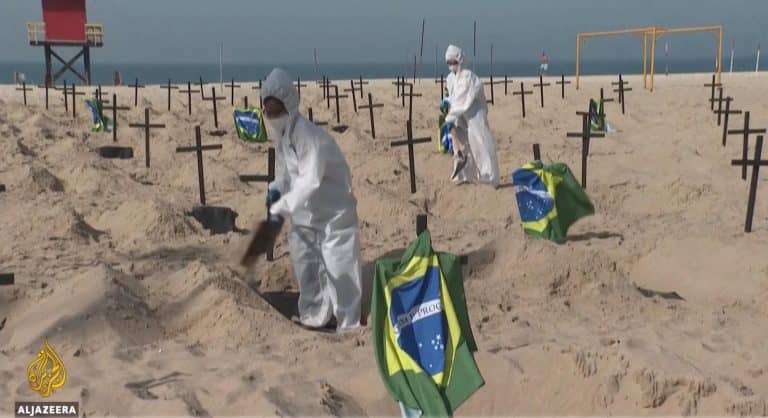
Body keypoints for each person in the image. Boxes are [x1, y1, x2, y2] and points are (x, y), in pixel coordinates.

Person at [261, 67, 362, 332]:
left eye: (276, 112)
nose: (272, 118)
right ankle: (315, 315)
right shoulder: (282, 136)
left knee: (339, 268)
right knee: (306, 266)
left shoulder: (309, 137)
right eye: (268, 113)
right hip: (305, 215)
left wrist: (285, 204)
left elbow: (311, 179)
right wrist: (276, 189)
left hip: (333, 213)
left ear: (289, 106)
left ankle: (348, 323)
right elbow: (287, 173)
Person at [442, 45, 500, 187]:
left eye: (454, 62)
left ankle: (489, 177)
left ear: (460, 60)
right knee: (462, 145)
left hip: (474, 113)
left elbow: (462, 99)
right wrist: (446, 102)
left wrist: (448, 118)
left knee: (480, 142)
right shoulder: (450, 78)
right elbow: (454, 97)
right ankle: (464, 175)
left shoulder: (468, 77)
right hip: (459, 115)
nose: (451, 66)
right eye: (448, 63)